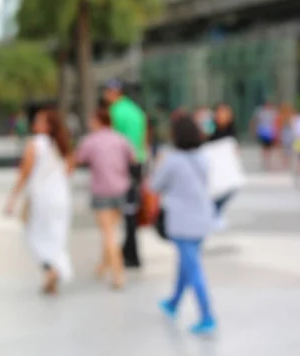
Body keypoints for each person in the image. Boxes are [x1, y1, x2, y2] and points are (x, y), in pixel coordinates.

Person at [151, 116, 217, 335]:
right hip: (202, 219)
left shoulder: (172, 160)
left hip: (182, 221)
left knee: (193, 268)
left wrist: (159, 163)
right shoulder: (204, 158)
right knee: (186, 264)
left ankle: (207, 316)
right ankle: (173, 303)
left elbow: (155, 185)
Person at [4, 108, 73, 295]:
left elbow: (25, 172)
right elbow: (69, 170)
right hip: (61, 198)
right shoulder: (62, 145)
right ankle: (52, 273)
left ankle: (51, 269)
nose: (35, 123)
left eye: (39, 121)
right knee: (56, 236)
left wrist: (13, 196)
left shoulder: (35, 144)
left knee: (35, 234)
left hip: (41, 198)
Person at [76, 109, 134, 289]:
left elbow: (78, 159)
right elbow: (132, 158)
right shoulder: (121, 139)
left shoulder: (90, 141)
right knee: (111, 230)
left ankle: (118, 274)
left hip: (102, 190)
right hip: (121, 188)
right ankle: (104, 265)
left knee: (108, 233)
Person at [103, 79, 147, 269]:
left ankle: (129, 253)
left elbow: (112, 143)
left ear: (114, 92)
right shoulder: (136, 111)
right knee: (131, 209)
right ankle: (130, 250)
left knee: (121, 211)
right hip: (138, 163)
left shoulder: (114, 112)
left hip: (124, 164)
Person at [252, 101, 278, 170]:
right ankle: (264, 160)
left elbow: (275, 122)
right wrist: (255, 130)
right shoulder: (260, 112)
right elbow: (255, 121)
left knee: (269, 147)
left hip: (270, 132)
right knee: (264, 146)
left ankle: (268, 160)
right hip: (263, 132)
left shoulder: (273, 112)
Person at [277, 104, 296, 170]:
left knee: (288, 149)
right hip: (287, 134)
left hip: (289, 134)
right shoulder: (283, 117)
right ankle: (286, 162)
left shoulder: (291, 117)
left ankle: (286, 162)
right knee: (287, 149)